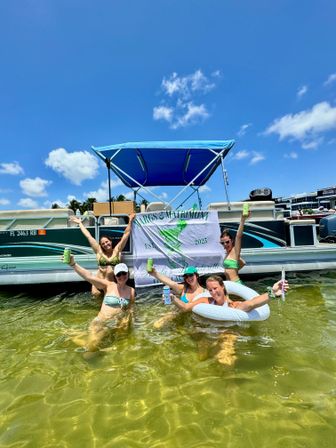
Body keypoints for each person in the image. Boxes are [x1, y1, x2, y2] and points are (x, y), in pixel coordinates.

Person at [67, 257, 135, 353]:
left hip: (114, 325)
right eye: (118, 274)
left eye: (124, 273)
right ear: (115, 276)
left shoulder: (131, 291)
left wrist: (128, 321)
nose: (121, 276)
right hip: (100, 323)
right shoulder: (109, 285)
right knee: (91, 349)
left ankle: (72, 333)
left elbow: (130, 308)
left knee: (97, 346)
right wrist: (73, 264)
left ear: (128, 273)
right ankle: (72, 334)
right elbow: (89, 277)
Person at [70, 212, 135, 298]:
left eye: (107, 242)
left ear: (111, 242)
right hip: (98, 283)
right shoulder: (99, 252)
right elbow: (88, 236)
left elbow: (126, 235)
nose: (105, 244)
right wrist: (80, 223)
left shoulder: (117, 250)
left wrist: (130, 221)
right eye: (103, 243)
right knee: (96, 302)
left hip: (111, 285)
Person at [171, 275, 289, 312]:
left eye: (215, 288)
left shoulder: (232, 305)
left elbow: (252, 303)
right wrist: (173, 299)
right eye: (210, 290)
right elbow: (186, 307)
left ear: (222, 287)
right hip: (209, 330)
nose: (213, 292)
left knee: (226, 357)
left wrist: (272, 293)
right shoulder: (205, 300)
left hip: (227, 332)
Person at [220, 211, 248, 283]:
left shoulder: (235, 251)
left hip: (236, 284)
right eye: (222, 243)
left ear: (232, 241)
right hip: (229, 284)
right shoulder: (227, 253)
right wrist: (235, 269)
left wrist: (242, 219)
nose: (225, 244)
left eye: (227, 242)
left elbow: (238, 236)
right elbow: (243, 263)